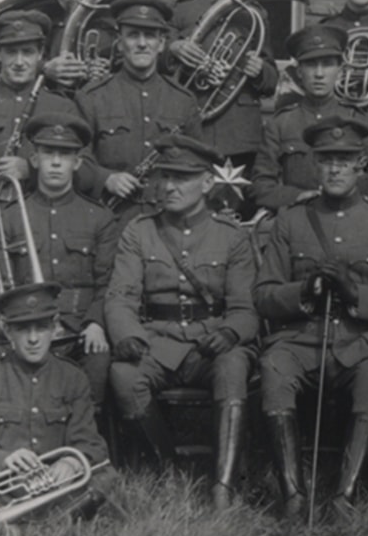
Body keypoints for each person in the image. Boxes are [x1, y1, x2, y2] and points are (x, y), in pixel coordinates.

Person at [255, 117, 368, 516]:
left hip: (362, 341)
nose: (334, 169)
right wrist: (305, 291)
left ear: (360, 165)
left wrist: (354, 293)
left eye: (344, 161)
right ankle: (293, 494)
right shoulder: (291, 220)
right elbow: (263, 295)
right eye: (327, 160)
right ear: (315, 164)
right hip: (301, 340)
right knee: (274, 367)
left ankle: (345, 495)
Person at [103, 134, 258, 507]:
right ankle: (167, 473)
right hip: (156, 341)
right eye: (165, 177)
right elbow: (120, 296)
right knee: (124, 376)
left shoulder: (231, 237)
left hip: (209, 344)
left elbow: (245, 307)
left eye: (182, 178)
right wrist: (127, 334)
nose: (169, 187)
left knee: (234, 365)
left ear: (207, 183)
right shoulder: (139, 231)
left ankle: (223, 484)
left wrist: (230, 331)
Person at [0, 281, 116, 517]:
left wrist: (70, 463)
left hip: (57, 483)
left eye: (41, 328)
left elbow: (91, 443)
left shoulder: (73, 377)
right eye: (23, 329)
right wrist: (4, 460)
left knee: (107, 474)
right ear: (8, 330)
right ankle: (54, 517)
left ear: (55, 328)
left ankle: (14, 519)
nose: (33, 339)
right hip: (6, 483)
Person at [0, 113, 118, 404]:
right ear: (34, 160)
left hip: (79, 330)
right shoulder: (7, 217)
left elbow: (108, 283)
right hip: (25, 329)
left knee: (98, 363)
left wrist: (96, 323)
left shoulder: (99, 218)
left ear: (78, 163)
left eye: (65, 154)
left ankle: (85, 443)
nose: (56, 162)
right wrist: (1, 324)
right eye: (48, 153)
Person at [165, 0, 278, 182]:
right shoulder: (179, 12)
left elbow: (271, 81)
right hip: (193, 128)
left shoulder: (254, 13)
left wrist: (261, 70)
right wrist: (174, 48)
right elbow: (159, 66)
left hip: (239, 133)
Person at [71, 0, 202, 213]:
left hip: (166, 219)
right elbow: (76, 158)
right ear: (120, 44)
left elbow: (197, 164)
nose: (142, 44)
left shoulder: (183, 100)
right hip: (112, 218)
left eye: (150, 36)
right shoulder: (92, 96)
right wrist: (106, 178)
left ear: (161, 44)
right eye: (133, 35)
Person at [0, 9, 82, 200]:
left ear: (40, 54)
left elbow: (84, 170)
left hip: (43, 214)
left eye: (27, 52)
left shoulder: (63, 108)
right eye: (11, 52)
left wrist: (31, 169)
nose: (19, 62)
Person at [253, 24, 368, 214]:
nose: (319, 74)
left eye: (327, 64)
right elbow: (261, 186)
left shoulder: (360, 120)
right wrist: (297, 197)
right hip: (299, 218)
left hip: (349, 217)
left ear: (340, 70)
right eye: (311, 65)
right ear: (299, 72)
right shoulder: (281, 123)